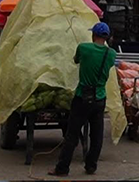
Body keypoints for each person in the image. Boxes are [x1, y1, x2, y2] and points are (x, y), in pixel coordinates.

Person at [50, 22, 116, 176]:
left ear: (93, 35)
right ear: (107, 37)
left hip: (82, 98)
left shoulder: (84, 48)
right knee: (97, 135)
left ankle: (62, 168)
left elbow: (76, 60)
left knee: (72, 134)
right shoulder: (111, 54)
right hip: (100, 98)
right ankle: (91, 166)